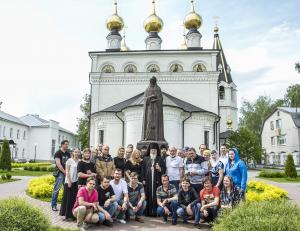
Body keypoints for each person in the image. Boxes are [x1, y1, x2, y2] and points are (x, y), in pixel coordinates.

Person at [141, 142, 166, 216]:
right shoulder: (146, 159)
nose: (153, 151)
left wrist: (160, 169)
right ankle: (148, 212)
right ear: (150, 150)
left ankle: (155, 212)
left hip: (157, 180)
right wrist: (143, 179)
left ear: (157, 150)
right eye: (152, 149)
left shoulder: (160, 159)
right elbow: (142, 170)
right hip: (148, 180)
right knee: (147, 195)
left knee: (156, 195)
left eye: (155, 150)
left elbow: (164, 169)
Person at [60, 148, 80, 220]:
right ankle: (66, 215)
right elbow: (67, 171)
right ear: (73, 153)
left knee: (74, 199)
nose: (77, 153)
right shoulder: (69, 160)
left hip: (76, 182)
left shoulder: (80, 161)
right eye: (76, 152)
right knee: (68, 198)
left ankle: (72, 215)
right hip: (69, 182)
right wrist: (69, 180)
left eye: (78, 152)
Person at [51, 140, 71, 211]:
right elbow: (58, 164)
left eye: (67, 144)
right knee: (57, 189)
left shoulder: (68, 154)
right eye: (66, 144)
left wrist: (68, 172)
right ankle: (54, 205)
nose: (67, 146)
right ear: (62, 145)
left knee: (66, 189)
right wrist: (64, 171)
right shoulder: (58, 153)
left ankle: (65, 206)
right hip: (60, 173)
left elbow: (69, 163)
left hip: (67, 173)